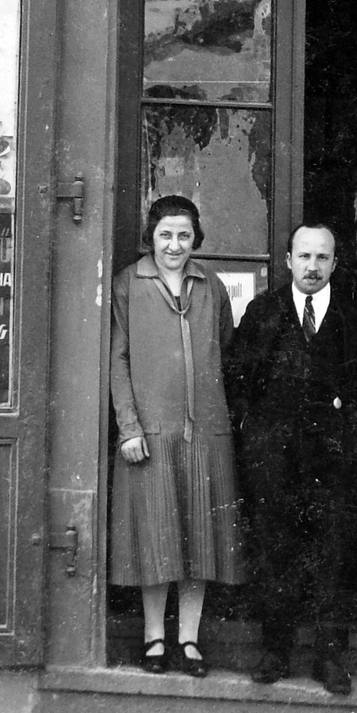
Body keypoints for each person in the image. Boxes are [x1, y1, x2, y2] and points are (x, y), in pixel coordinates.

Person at [227, 223, 357, 696]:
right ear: (288, 260)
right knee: (276, 552)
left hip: (335, 463)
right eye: (304, 257)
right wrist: (254, 435)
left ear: (335, 263)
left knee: (333, 556)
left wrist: (352, 441)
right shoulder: (262, 313)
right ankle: (275, 651)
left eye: (322, 258)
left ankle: (329, 656)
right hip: (274, 460)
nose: (312, 267)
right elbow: (237, 381)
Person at [109, 194, 245, 678]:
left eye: (184, 235)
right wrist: (129, 426)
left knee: (198, 540)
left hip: (206, 431)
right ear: (152, 236)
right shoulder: (129, 283)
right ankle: (154, 638)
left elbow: (227, 350)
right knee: (156, 538)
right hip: (151, 431)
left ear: (196, 238)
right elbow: (117, 359)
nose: (174, 244)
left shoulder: (210, 284)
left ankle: (188, 639)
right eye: (166, 234)